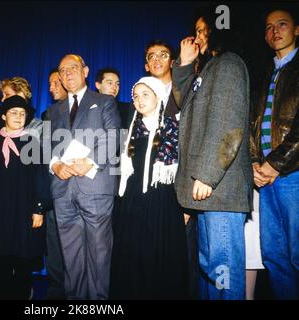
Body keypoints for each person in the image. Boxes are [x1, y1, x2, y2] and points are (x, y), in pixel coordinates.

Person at [172, 13, 252, 300]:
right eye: (196, 30)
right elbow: (182, 102)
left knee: (223, 270)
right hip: (211, 191)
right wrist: (182, 64)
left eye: (204, 31)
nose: (198, 36)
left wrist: (207, 173)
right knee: (210, 269)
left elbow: (228, 124)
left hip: (221, 187)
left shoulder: (228, 63)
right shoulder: (207, 69)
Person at [45, 54, 120, 299]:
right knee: (71, 258)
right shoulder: (53, 111)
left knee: (99, 256)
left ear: (86, 71)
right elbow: (47, 147)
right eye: (62, 70)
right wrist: (55, 165)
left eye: (73, 68)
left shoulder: (104, 102)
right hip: (63, 191)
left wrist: (89, 162)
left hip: (95, 189)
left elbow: (113, 137)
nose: (67, 74)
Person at [110, 76, 188, 299]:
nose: (139, 100)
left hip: (163, 205)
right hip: (131, 204)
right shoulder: (130, 132)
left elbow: (183, 169)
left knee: (159, 260)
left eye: (145, 94)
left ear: (158, 96)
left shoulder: (174, 128)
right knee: (131, 259)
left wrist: (185, 208)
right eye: (135, 96)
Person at [0, 95, 50, 299]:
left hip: (24, 213)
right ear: (3, 116)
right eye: (14, 113)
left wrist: (39, 208)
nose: (19, 116)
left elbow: (41, 178)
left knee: (23, 262)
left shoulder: (31, 143)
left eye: (22, 113)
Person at [250, 7, 299, 299]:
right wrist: (256, 162)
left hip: (293, 176)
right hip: (266, 181)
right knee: (274, 257)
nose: (275, 31)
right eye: (269, 27)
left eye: (282, 24)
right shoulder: (265, 75)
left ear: (296, 29)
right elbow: (253, 124)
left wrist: (275, 164)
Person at [145, 39, 199, 299]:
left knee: (184, 257)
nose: (157, 59)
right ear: (146, 63)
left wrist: (188, 203)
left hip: (181, 189)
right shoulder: (141, 95)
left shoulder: (187, 90)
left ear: (173, 60)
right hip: (152, 193)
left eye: (163, 54)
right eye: (151, 56)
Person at [44, 68, 67, 299]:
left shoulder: (85, 110)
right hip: (53, 191)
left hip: (80, 190)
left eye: (55, 82)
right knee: (53, 248)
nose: (51, 88)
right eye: (49, 84)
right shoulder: (47, 114)